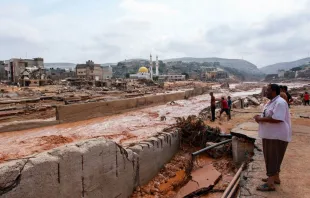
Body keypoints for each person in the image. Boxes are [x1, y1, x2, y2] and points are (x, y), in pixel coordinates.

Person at [254, 84, 291, 191]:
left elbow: (277, 118)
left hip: (275, 136)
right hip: (271, 135)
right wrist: (260, 117)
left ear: (274, 91)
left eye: (268, 90)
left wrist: (260, 119)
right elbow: (269, 115)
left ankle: (270, 184)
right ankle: (275, 178)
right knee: (274, 157)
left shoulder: (280, 102)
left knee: (271, 158)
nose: (266, 92)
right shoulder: (272, 102)